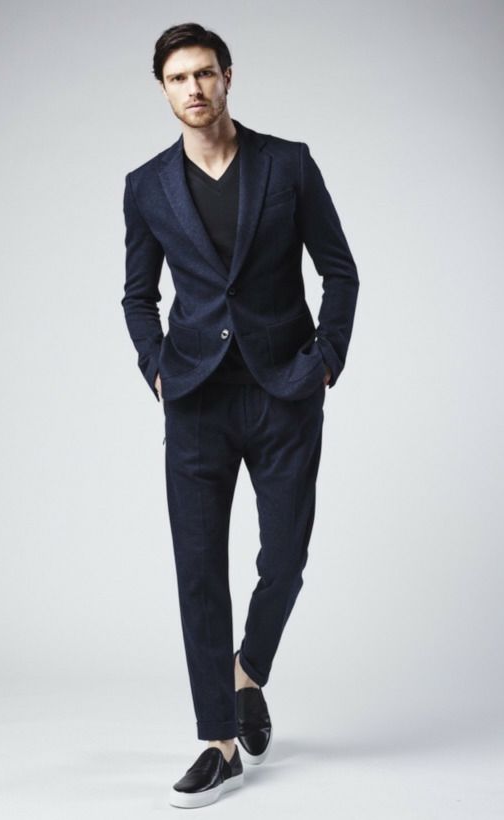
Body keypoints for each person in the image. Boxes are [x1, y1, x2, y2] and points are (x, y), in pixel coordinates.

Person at [121, 22, 359, 808]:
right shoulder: (147, 185)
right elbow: (138, 295)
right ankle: (217, 742)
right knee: (199, 573)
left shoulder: (287, 164)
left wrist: (326, 359)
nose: (193, 88)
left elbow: (339, 270)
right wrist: (157, 369)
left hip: (283, 390)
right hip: (196, 400)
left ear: (228, 77)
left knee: (284, 558)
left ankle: (246, 669)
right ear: (163, 89)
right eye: (177, 78)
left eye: (204, 73)